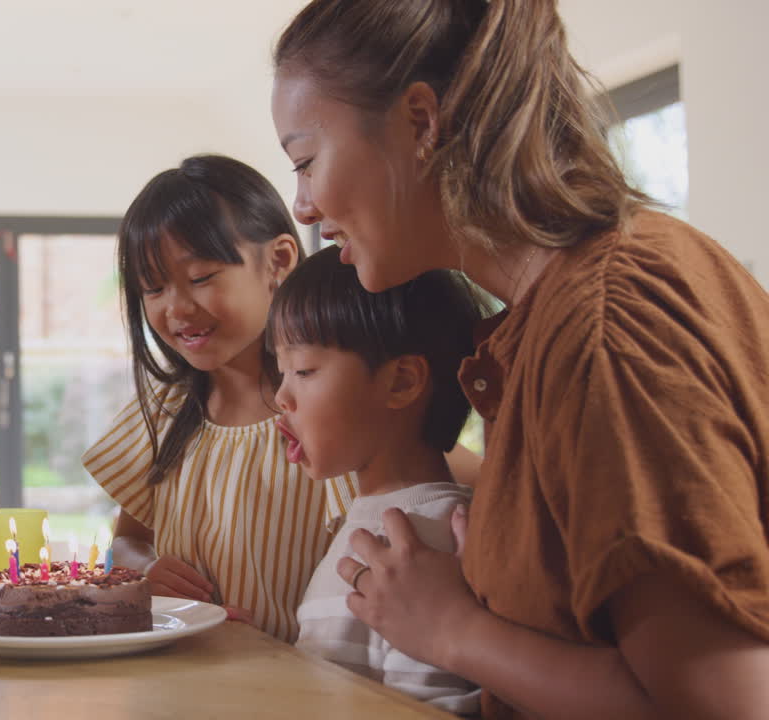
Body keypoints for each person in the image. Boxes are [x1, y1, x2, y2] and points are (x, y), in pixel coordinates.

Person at [271, 1, 769, 718]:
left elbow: (723, 706)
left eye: (306, 162)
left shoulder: (607, 326)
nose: (305, 205)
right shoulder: (550, 322)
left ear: (420, 122)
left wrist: (453, 629)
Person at [81, 154, 479, 642]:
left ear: (280, 261)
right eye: (153, 288)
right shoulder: (164, 415)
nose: (176, 308)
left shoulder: (339, 414)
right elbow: (127, 541)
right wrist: (146, 569)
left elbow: (450, 485)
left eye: (201, 277)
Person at [271, 245, 482, 714]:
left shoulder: (424, 535)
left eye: (303, 370)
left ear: (402, 382)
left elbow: (433, 707)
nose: (282, 395)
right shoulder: (376, 517)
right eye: (281, 371)